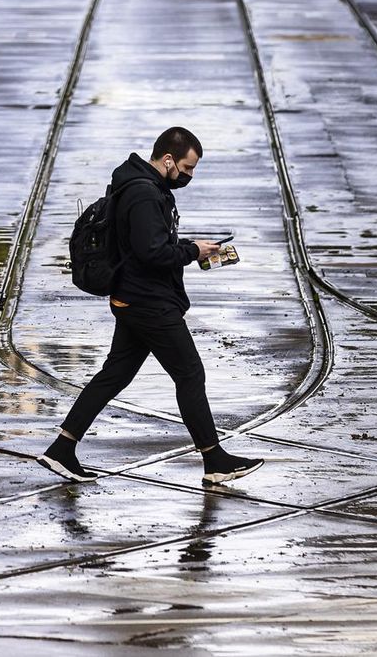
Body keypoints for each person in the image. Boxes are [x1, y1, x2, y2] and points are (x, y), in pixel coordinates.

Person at [38, 127, 265, 486]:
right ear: (169, 160)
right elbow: (151, 253)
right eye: (187, 168)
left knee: (114, 375)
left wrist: (189, 246)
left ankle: (62, 449)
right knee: (190, 374)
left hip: (134, 298)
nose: (189, 176)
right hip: (149, 303)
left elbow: (148, 244)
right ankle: (215, 460)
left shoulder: (141, 186)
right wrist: (192, 251)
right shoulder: (144, 194)